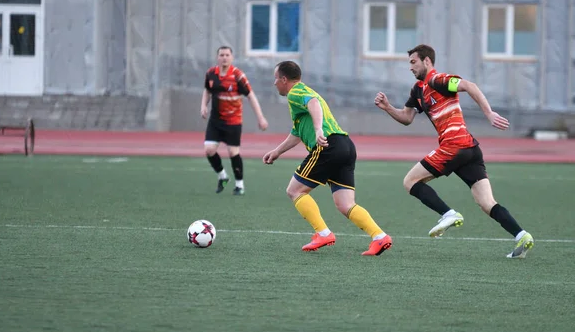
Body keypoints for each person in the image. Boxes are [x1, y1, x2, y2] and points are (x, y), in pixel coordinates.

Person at [373, 44, 534, 259]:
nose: (410, 67)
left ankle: (449, 214)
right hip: (469, 149)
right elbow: (407, 118)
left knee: (410, 182)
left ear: (427, 61)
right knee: (486, 203)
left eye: (413, 62)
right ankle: (521, 235)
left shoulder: (436, 79)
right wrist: (388, 108)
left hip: (454, 145)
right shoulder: (418, 89)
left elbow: (469, 86)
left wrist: (489, 113)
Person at [262, 61, 393, 256]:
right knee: (345, 204)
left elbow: (313, 103)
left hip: (328, 146)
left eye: (276, 79)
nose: (274, 83)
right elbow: (297, 133)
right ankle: (379, 236)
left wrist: (317, 130)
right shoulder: (300, 97)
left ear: (284, 79)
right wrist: (277, 151)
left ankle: (323, 233)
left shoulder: (296, 92)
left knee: (294, 190)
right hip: (345, 146)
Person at [201, 46, 268, 195]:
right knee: (209, 150)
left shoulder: (238, 76)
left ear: (231, 57)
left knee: (233, 152)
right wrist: (203, 106)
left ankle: (239, 185)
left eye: (227, 55)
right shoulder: (211, 74)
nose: (224, 57)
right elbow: (207, 90)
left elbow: (251, 96)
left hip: (233, 121)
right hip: (215, 120)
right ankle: (222, 176)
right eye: (221, 55)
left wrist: (260, 117)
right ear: (217, 57)